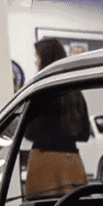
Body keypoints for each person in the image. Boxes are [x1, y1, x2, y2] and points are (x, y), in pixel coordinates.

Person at [26, 38, 90, 197]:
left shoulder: (40, 92)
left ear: (45, 60)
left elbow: (29, 131)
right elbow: (84, 133)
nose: (35, 62)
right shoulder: (75, 92)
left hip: (43, 164)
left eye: (37, 57)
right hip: (72, 162)